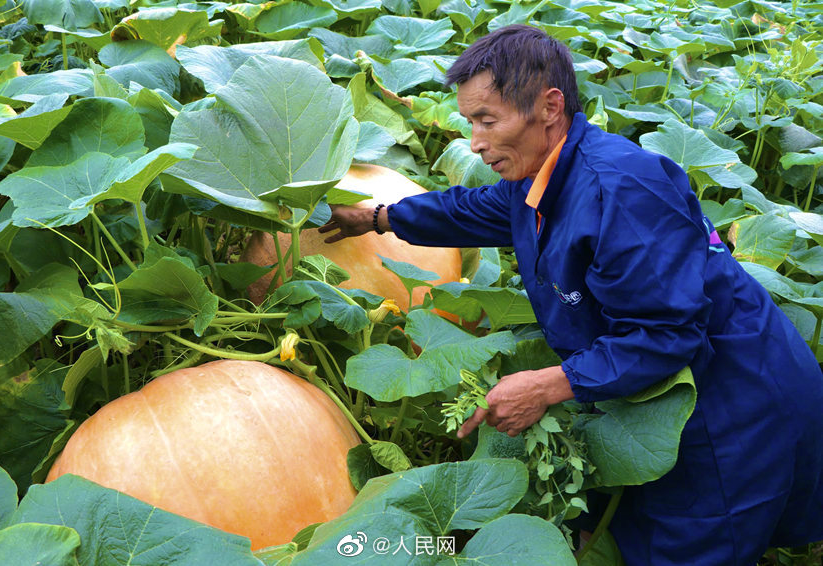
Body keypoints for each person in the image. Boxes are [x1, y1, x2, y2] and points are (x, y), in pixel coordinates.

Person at [319, 24, 823, 565]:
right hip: (657, 394)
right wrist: (375, 216)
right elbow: (470, 210)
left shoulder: (620, 190)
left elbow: (667, 332)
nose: (475, 142)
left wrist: (548, 385)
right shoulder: (542, 177)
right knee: (630, 526)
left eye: (488, 121)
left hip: (729, 402)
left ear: (549, 106)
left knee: (698, 534)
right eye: (471, 122)